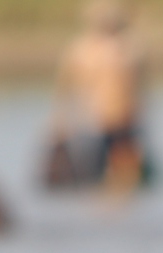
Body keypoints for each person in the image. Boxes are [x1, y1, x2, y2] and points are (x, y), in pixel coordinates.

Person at [51, 1, 150, 191]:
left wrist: (142, 118)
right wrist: (60, 122)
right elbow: (63, 89)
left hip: (124, 120)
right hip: (90, 123)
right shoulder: (79, 49)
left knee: (127, 178)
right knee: (90, 179)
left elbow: (141, 88)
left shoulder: (132, 47)